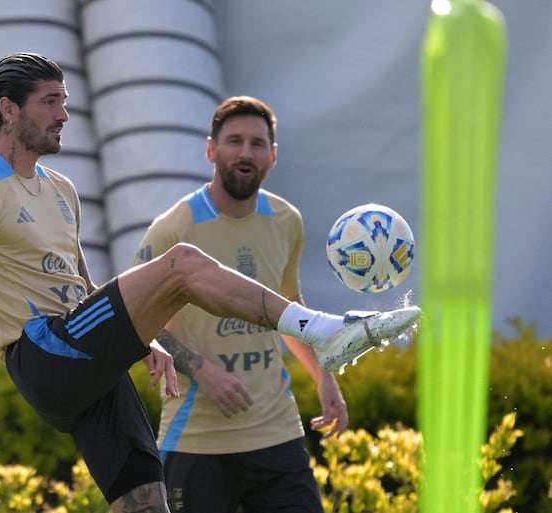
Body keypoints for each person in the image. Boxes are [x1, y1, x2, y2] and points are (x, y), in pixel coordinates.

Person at [0, 53, 420, 513]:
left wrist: (139, 336)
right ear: (9, 110)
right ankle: (323, 330)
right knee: (182, 264)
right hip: (44, 353)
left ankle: (321, 331)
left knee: (147, 503)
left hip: (84, 358)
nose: (64, 115)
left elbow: (82, 284)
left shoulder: (60, 189)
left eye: (65, 101)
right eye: (50, 102)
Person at [132, 96, 397, 512]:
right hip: (196, 438)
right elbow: (141, 319)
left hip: (276, 433)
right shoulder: (174, 228)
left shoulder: (287, 220)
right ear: (210, 150)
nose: (245, 153)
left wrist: (324, 375)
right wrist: (204, 371)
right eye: (233, 141)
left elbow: (289, 305)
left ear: (272, 156)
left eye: (257, 144)